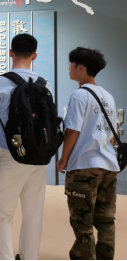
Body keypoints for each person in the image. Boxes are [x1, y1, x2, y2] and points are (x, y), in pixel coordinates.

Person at [0, 34, 52, 261]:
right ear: (35, 56)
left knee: (2, 213)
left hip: (9, 153)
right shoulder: (45, 84)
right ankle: (29, 257)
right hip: (38, 156)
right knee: (33, 212)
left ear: (11, 52)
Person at [57, 48, 119, 261]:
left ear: (80, 68)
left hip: (84, 166)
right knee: (106, 219)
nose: (69, 69)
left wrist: (63, 158)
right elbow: (111, 136)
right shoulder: (108, 96)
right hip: (108, 166)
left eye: (71, 65)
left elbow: (72, 130)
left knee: (82, 221)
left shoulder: (79, 95)